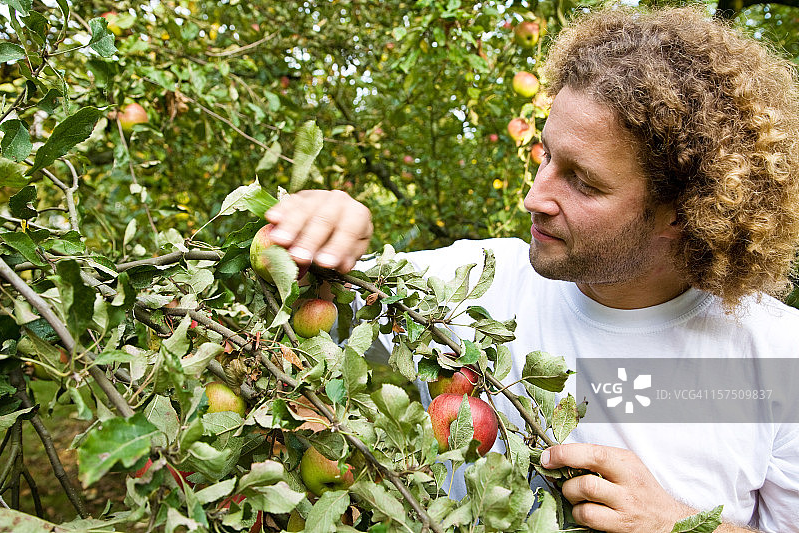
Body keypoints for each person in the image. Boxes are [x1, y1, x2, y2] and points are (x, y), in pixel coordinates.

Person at [263, 6, 799, 533]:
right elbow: (278, 309)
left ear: (684, 213)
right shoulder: (470, 283)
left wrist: (683, 528)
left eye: (583, 183)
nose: (533, 197)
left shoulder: (781, 357)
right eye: (545, 155)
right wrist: (319, 228)